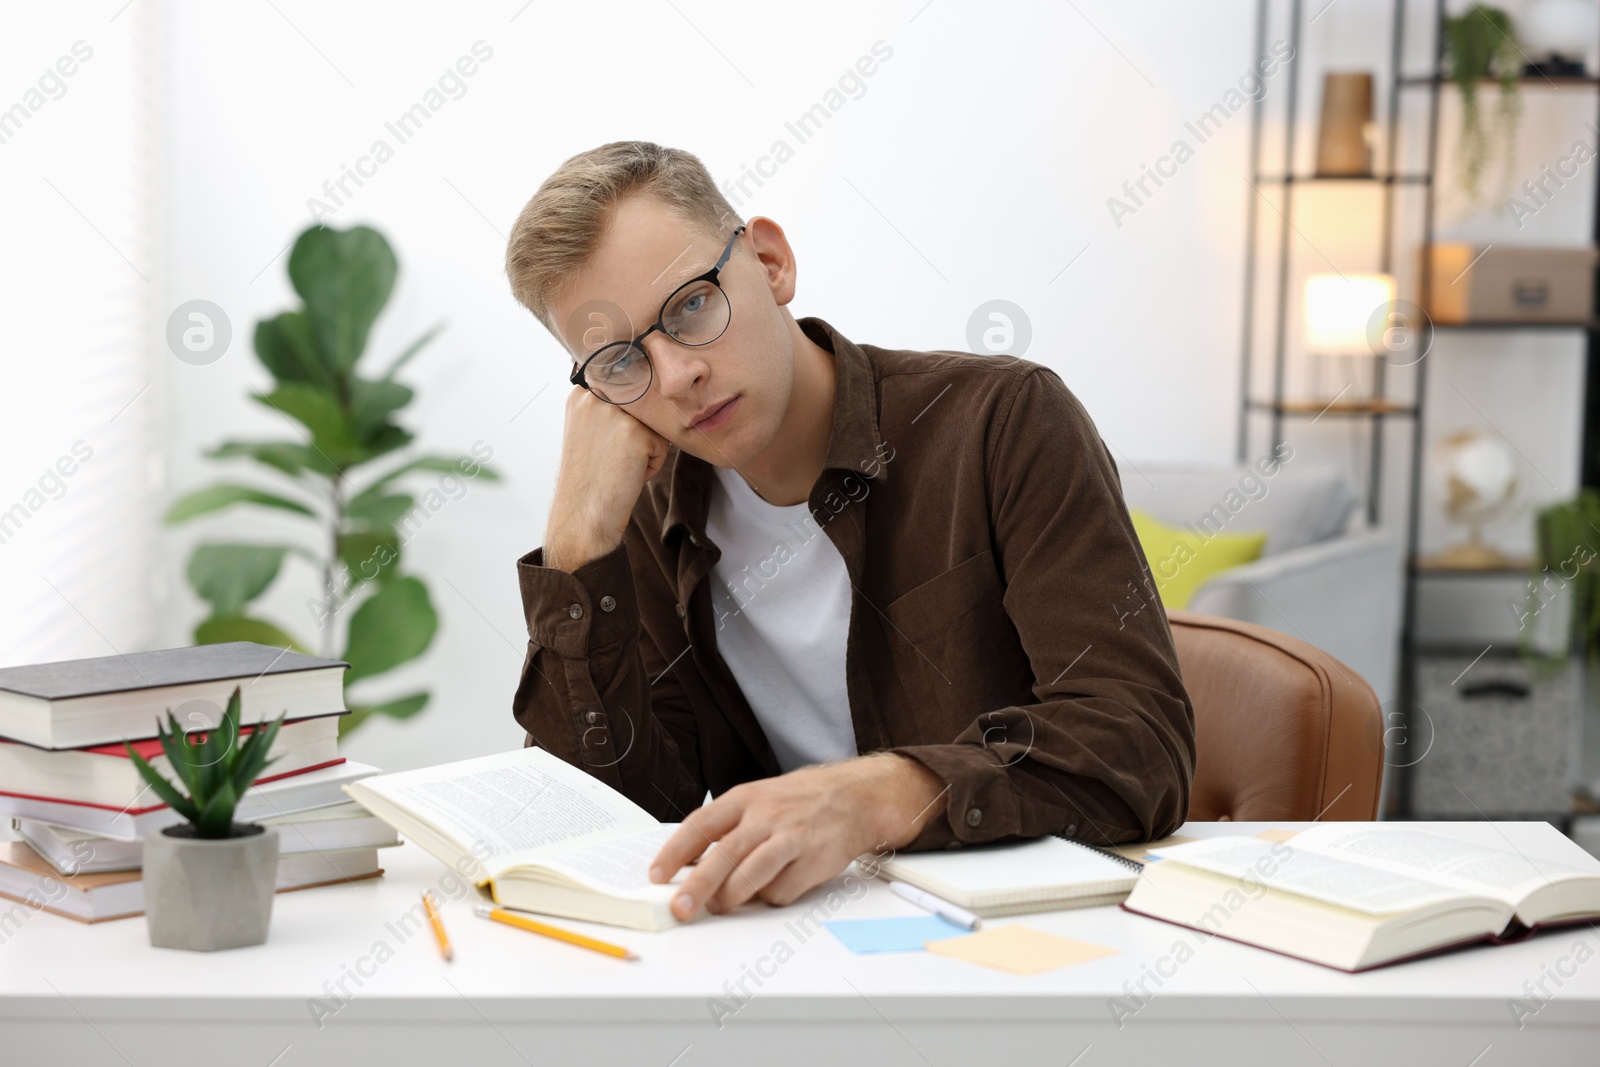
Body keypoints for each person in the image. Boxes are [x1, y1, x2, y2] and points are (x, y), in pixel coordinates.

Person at [503, 141, 1194, 924]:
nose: (674, 378)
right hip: (784, 944)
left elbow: (1140, 742)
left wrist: (880, 794)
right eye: (620, 361)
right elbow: (607, 818)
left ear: (769, 263)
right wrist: (572, 550)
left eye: (692, 305)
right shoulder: (643, 505)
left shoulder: (1001, 423)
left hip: (1025, 935)